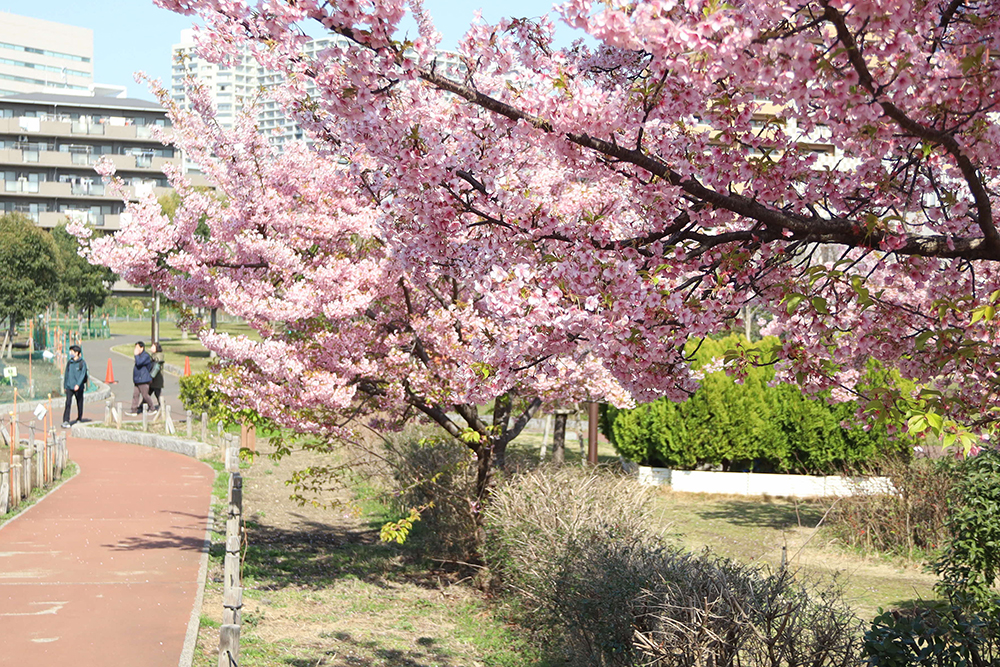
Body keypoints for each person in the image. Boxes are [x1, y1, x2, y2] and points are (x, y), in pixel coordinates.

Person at [61, 344, 88, 428]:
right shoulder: (69, 363)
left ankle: (79, 418)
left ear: (77, 353)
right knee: (68, 403)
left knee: (79, 403)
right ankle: (66, 420)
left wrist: (78, 384)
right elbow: (66, 374)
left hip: (78, 387)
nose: (70, 353)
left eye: (72, 352)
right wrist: (65, 386)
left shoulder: (82, 363)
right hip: (69, 386)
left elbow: (83, 374)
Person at [129, 341, 157, 414]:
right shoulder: (139, 356)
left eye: (137, 347)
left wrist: (136, 355)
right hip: (137, 380)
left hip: (143, 379)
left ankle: (152, 408)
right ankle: (134, 410)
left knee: (145, 395)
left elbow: (139, 363)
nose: (136, 349)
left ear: (142, 348)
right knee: (135, 395)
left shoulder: (145, 356)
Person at [149, 341, 165, 406]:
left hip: (157, 378)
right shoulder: (153, 355)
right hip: (154, 379)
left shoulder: (159, 356)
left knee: (157, 393)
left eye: (153, 347)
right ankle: (142, 405)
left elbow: (157, 367)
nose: (151, 348)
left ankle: (162, 405)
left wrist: (151, 376)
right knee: (149, 393)